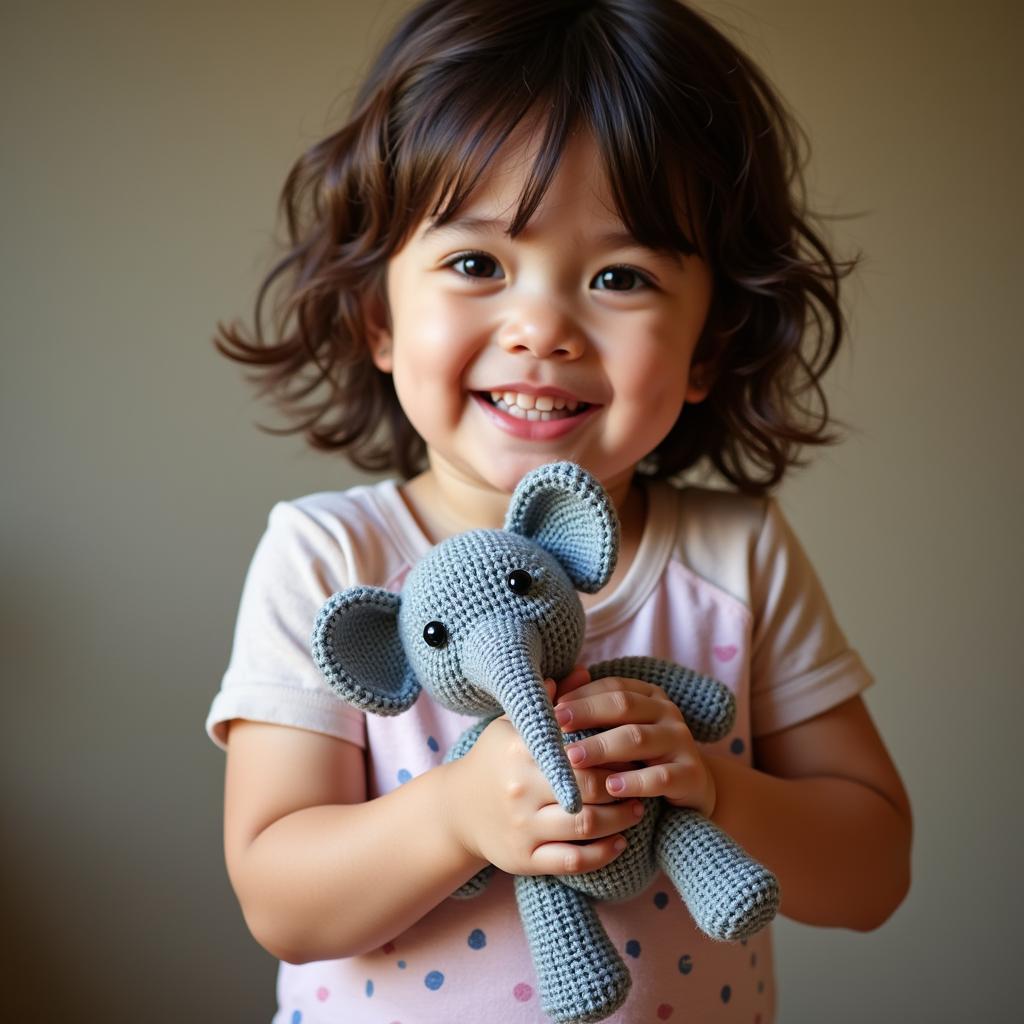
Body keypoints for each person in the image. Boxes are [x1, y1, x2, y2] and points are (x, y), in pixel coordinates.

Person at [205, 1, 913, 1021]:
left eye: (618, 276)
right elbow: (280, 896)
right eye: (476, 263)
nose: (541, 327)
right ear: (378, 315)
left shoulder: (736, 556)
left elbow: (871, 872)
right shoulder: (329, 555)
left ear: (708, 344)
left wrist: (715, 788)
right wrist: (455, 814)